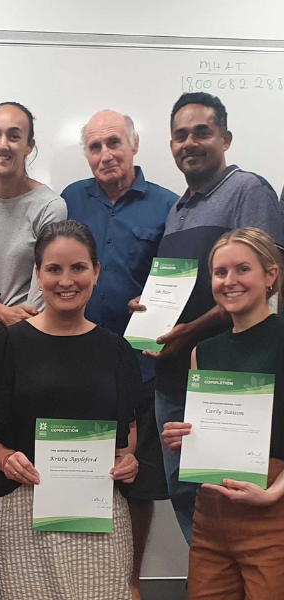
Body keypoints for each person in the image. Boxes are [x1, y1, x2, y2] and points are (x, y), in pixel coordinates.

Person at [131, 92, 284, 544]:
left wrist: (189, 333)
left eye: (201, 132)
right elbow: (185, 288)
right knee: (184, 490)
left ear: (225, 138)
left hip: (230, 378)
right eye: (180, 135)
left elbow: (262, 282)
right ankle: (208, 578)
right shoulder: (178, 209)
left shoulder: (249, 190)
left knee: (232, 492)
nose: (189, 143)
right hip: (173, 374)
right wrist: (149, 309)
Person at [0, 220, 140, 600]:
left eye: (78, 267)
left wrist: (128, 460)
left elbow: (128, 432)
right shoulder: (5, 345)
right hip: (20, 512)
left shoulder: (117, 350)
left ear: (96, 272)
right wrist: (2, 457)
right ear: (38, 274)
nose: (67, 280)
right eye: (54, 269)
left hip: (98, 517)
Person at [62, 109, 178, 599]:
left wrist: (157, 303)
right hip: (76, 362)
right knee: (78, 463)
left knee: (136, 480)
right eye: (95, 146)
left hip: (140, 366)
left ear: (134, 146)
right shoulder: (70, 198)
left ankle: (128, 581)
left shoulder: (169, 205)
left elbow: (178, 282)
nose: (105, 154)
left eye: (114, 143)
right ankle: (79, 574)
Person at [161, 228, 284, 598]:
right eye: (220, 272)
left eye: (242, 269)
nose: (229, 281)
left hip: (272, 510)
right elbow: (211, 433)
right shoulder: (203, 351)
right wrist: (186, 437)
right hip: (211, 513)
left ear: (270, 275)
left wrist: (275, 493)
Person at [0, 101, 67, 331]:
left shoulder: (50, 206)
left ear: (29, 146)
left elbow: (45, 288)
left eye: (14, 137)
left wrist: (19, 325)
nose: (3, 145)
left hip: (36, 334)